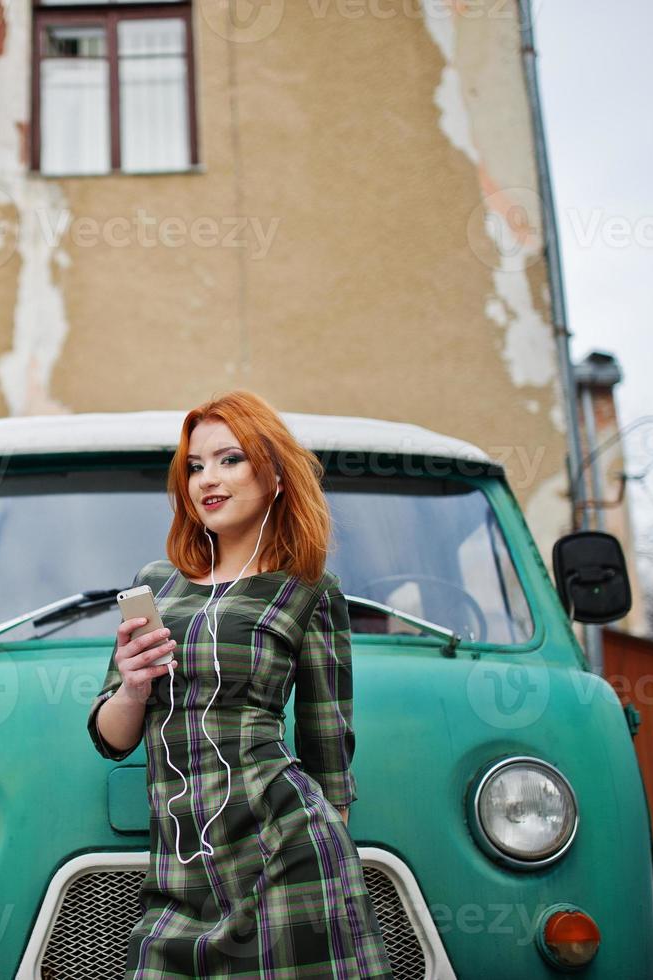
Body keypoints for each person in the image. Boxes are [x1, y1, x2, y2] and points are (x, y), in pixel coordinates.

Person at [87, 390, 394, 979]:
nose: (208, 479)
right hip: (181, 860)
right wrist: (131, 687)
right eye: (195, 467)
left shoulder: (307, 589)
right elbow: (111, 739)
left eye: (230, 459)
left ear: (274, 474)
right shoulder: (156, 584)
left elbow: (328, 746)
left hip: (286, 844)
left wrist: (338, 881)